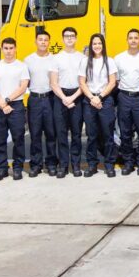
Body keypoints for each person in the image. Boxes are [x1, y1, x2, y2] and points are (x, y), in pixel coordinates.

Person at [0, 37, 30, 181]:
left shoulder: (21, 66)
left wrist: (7, 100)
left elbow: (23, 87)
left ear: (16, 48)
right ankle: (2, 168)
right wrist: (1, 103)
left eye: (11, 48)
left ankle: (17, 168)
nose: (8, 51)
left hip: (16, 106)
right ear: (2, 49)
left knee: (18, 138)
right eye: (6, 48)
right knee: (0, 140)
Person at [79, 34, 119, 178]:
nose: (97, 46)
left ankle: (109, 165)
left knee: (108, 134)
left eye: (99, 43)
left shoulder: (110, 61)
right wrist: (92, 97)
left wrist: (100, 97)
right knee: (91, 135)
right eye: (94, 43)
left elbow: (112, 82)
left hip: (105, 100)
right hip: (89, 100)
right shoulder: (85, 62)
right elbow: (82, 82)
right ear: (91, 45)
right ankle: (92, 165)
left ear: (103, 45)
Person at [114, 29, 139, 176]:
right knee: (125, 132)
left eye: (136, 38)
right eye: (131, 38)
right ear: (127, 40)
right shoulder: (119, 58)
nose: (133, 40)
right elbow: (116, 80)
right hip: (124, 97)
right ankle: (128, 162)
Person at [51, 27, 86, 178]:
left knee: (77, 133)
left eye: (72, 36)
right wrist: (64, 98)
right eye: (66, 36)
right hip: (60, 96)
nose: (69, 38)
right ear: (62, 39)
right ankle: (63, 165)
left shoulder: (82, 58)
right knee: (61, 133)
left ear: (76, 38)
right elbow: (53, 83)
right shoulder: (56, 58)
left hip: (77, 95)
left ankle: (76, 165)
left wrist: (73, 97)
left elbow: (85, 82)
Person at [24, 31, 58, 177]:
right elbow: (25, 81)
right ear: (36, 41)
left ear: (49, 42)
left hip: (50, 98)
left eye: (46, 40)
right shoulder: (28, 60)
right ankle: (36, 164)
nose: (43, 42)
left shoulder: (54, 59)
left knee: (51, 133)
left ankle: (51, 164)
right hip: (35, 100)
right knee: (35, 134)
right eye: (40, 39)